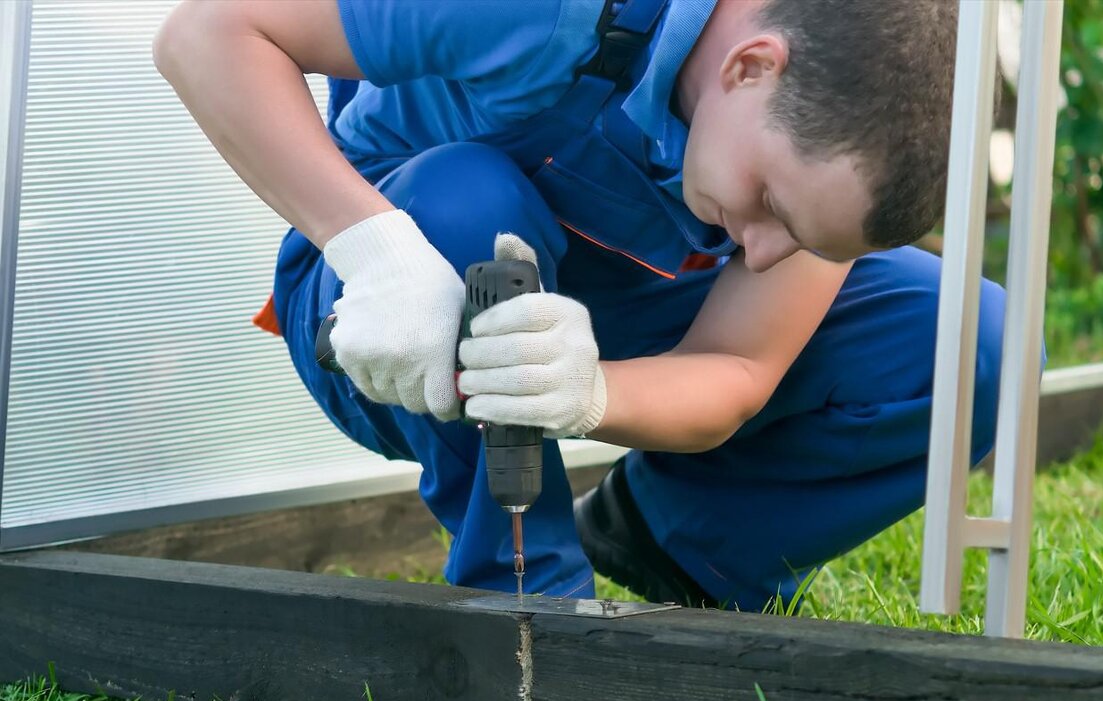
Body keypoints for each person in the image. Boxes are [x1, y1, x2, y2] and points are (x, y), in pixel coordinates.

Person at [154, 0, 1005, 611]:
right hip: (384, 307)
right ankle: (525, 597)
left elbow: (739, 366)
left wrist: (589, 392)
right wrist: (376, 252)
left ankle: (677, 548)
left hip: (620, 306)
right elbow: (209, 34)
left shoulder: (806, 172)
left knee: (973, 340)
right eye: (774, 208)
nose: (766, 253)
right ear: (751, 66)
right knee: (473, 206)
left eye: (807, 243)